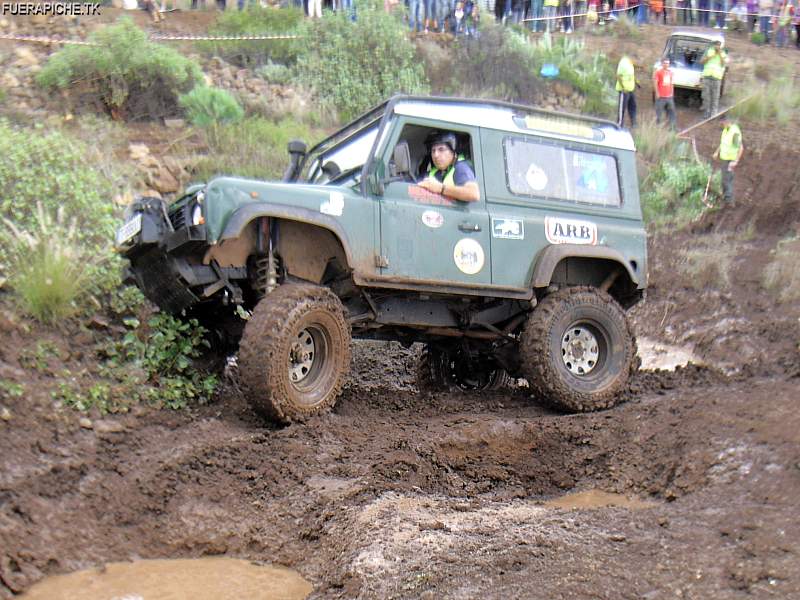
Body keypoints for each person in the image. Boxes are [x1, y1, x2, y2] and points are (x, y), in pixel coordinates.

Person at [417, 132, 480, 202]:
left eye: (441, 150)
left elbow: (473, 194)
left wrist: (441, 188)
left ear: (453, 152)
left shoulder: (461, 168)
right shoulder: (433, 172)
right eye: (433, 150)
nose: (435, 155)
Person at [712, 116, 743, 204]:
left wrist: (735, 161)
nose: (721, 125)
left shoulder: (735, 133)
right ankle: (725, 197)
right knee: (724, 179)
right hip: (724, 159)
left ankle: (729, 201)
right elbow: (723, 143)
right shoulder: (726, 130)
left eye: (722, 123)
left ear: (726, 122)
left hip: (730, 161)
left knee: (727, 179)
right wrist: (716, 152)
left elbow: (741, 148)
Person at [699, 39, 728, 118]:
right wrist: (711, 56)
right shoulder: (708, 51)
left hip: (716, 78)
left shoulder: (723, 53)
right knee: (706, 96)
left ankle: (714, 113)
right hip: (707, 77)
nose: (717, 46)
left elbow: (723, 64)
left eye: (718, 45)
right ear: (713, 45)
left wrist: (720, 55)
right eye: (716, 45)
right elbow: (701, 61)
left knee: (715, 96)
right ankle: (706, 112)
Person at [653, 58, 677, 130]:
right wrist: (657, 93)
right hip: (661, 97)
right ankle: (658, 127)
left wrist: (672, 93)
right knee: (659, 113)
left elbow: (672, 83)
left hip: (669, 96)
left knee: (671, 112)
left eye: (668, 63)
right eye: (665, 63)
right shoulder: (658, 72)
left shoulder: (670, 72)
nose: (666, 64)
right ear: (662, 64)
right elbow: (655, 83)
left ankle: (672, 127)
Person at [616, 55, 637, 128]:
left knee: (633, 106)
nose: (636, 62)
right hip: (624, 91)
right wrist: (623, 87)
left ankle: (634, 123)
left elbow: (631, 76)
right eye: (636, 60)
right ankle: (619, 124)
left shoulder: (631, 64)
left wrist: (637, 82)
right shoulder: (623, 63)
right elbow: (618, 76)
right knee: (622, 108)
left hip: (631, 90)